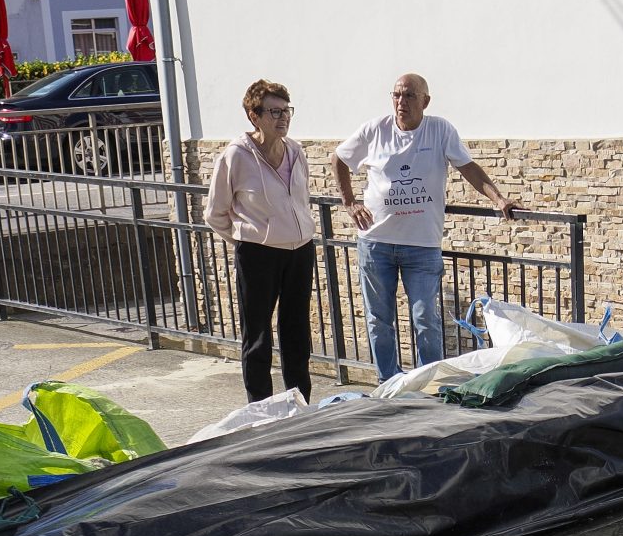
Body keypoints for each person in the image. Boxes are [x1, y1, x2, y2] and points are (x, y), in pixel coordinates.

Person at [333, 73, 518, 379]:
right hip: (376, 243)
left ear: (425, 101)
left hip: (421, 246)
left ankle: (431, 384)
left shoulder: (439, 130)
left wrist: (498, 199)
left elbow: (468, 167)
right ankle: (388, 382)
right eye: (396, 95)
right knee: (379, 319)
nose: (400, 102)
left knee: (426, 319)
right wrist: (350, 202)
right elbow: (338, 159)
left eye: (408, 96)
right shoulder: (374, 129)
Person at [206, 79, 316, 403]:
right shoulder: (236, 156)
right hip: (258, 254)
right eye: (274, 112)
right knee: (258, 336)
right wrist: (247, 238)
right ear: (254, 116)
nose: (283, 118)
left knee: (296, 333)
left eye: (287, 111)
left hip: (299, 251)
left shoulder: (295, 151)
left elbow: (302, 200)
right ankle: (261, 409)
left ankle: (300, 404)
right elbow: (215, 213)